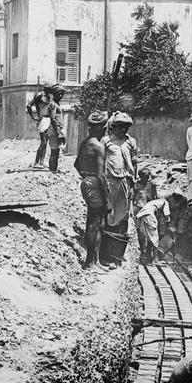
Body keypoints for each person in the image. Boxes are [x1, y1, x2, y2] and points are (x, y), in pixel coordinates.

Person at [74, 111, 109, 270]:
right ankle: (89, 262)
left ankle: (95, 261)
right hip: (96, 183)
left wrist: (85, 175)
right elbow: (101, 176)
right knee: (95, 223)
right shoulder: (99, 146)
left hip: (86, 181)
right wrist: (107, 199)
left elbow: (76, 165)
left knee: (98, 223)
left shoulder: (85, 142)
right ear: (101, 127)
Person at [102, 112, 138, 235]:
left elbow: (134, 164)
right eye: (121, 126)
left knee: (124, 210)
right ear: (114, 127)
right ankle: (106, 236)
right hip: (110, 179)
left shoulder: (130, 141)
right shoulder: (106, 140)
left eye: (126, 127)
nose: (124, 129)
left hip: (125, 180)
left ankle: (119, 237)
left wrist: (133, 184)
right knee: (108, 208)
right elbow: (100, 162)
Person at [134, 192, 188, 265]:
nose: (172, 205)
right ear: (172, 199)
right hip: (149, 215)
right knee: (154, 237)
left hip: (142, 214)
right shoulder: (165, 202)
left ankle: (146, 256)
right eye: (172, 203)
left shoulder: (158, 202)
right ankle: (156, 259)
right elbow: (166, 217)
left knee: (146, 235)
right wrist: (169, 228)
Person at [27, 84, 65, 170]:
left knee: (46, 142)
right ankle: (37, 162)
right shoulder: (40, 95)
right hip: (43, 120)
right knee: (43, 142)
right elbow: (29, 105)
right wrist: (34, 117)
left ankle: (41, 162)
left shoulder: (48, 96)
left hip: (48, 120)